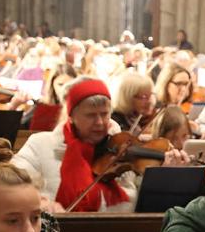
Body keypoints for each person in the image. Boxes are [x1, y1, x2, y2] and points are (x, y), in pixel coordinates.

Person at [13, 77, 138, 212]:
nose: (100, 122)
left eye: (104, 114)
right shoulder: (40, 144)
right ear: (71, 116)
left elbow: (137, 197)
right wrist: (40, 202)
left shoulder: (122, 150)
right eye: (90, 115)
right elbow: (12, 183)